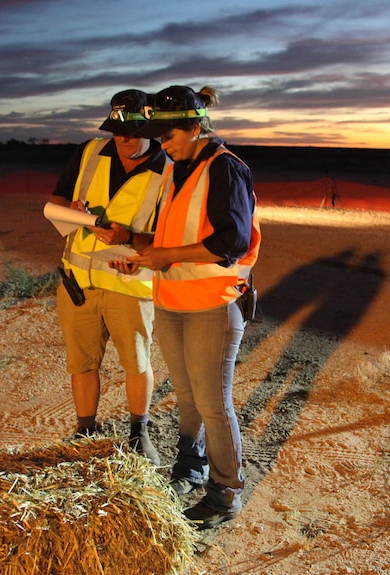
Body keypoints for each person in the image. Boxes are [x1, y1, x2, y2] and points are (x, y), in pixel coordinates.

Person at [126, 85, 261, 529]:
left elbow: (231, 242)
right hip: (173, 299)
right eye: (158, 137)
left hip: (212, 304)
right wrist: (135, 247)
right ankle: (190, 470)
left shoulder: (226, 169)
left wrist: (168, 256)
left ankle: (225, 493)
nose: (162, 144)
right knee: (186, 396)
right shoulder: (175, 170)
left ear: (195, 126)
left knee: (212, 402)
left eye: (168, 136)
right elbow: (170, 238)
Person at [49, 89, 171, 466]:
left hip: (130, 285)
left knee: (136, 362)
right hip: (78, 284)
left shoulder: (169, 171)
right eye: (117, 131)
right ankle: (85, 430)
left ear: (152, 130)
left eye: (133, 132)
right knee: (81, 362)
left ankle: (139, 433)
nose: (123, 139)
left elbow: (172, 240)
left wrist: (130, 241)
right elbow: (54, 206)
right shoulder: (89, 154)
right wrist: (69, 211)